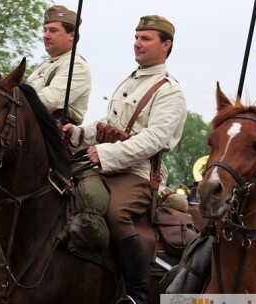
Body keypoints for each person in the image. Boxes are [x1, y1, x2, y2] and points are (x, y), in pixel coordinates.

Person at [63, 15, 187, 304]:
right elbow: (108, 124)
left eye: (145, 38)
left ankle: (136, 293)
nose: (137, 43)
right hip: (105, 165)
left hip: (140, 174)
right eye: (136, 37)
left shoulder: (170, 91)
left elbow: (153, 140)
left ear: (166, 45)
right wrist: (78, 133)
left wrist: (106, 154)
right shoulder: (129, 81)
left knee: (115, 214)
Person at [25, 5, 91, 125]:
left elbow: (51, 100)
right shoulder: (46, 65)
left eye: (53, 30)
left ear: (72, 35)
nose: (46, 35)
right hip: (31, 130)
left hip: (53, 137)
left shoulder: (76, 65)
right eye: (45, 30)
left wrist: (14, 100)